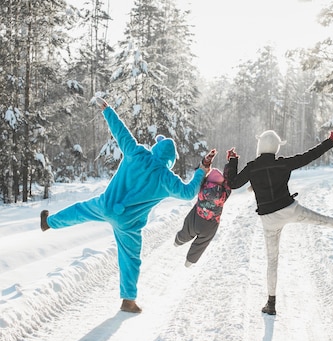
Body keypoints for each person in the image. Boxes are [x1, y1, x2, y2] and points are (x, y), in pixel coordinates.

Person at [40, 97, 213, 314]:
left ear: (156, 150)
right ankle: (128, 301)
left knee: (79, 211)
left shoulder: (137, 153)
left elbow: (121, 132)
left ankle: (49, 222)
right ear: (171, 161)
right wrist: (201, 172)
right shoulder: (167, 179)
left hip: (106, 205)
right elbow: (188, 193)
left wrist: (107, 109)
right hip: (128, 224)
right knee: (130, 258)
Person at [225, 128, 333, 316]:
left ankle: (271, 303)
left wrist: (232, 160)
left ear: (260, 145)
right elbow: (309, 156)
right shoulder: (283, 164)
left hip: (269, 219)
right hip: (290, 210)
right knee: (324, 220)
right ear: (276, 147)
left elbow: (233, 183)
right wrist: (330, 142)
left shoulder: (252, 167)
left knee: (272, 261)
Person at [174, 150, 233, 266]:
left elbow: (199, 173)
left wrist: (207, 162)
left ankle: (179, 240)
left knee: (188, 228)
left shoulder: (202, 185)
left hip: (197, 219)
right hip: (211, 224)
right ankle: (189, 261)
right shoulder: (224, 194)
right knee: (202, 243)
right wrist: (230, 162)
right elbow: (229, 181)